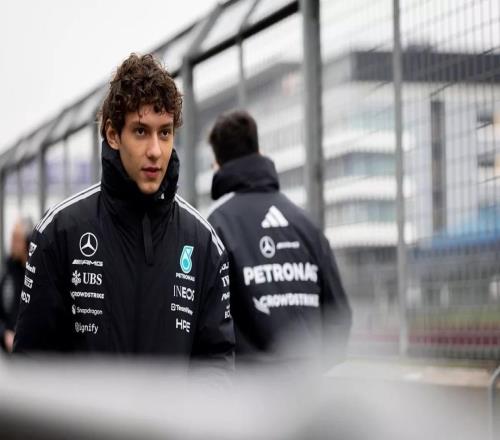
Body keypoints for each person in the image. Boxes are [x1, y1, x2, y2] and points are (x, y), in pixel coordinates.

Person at [14, 54, 234, 368]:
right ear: (113, 135)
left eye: (165, 133)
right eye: (141, 131)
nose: (155, 151)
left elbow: (217, 361)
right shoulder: (60, 231)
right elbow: (31, 364)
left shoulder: (203, 242)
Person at [206, 110, 351, 367]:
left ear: (216, 164)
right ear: (259, 151)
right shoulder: (305, 224)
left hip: (247, 388)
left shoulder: (216, 225)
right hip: (308, 384)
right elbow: (339, 316)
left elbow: (208, 326)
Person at [0, 218, 32, 353]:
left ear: (27, 242)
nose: (12, 243)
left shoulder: (36, 273)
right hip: (8, 350)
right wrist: (4, 333)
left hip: (30, 350)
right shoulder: (9, 270)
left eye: (16, 239)